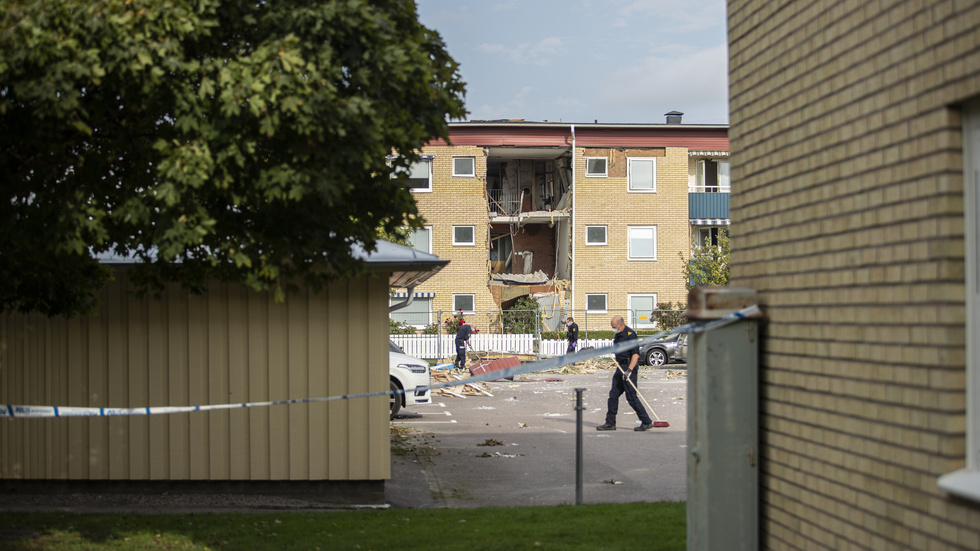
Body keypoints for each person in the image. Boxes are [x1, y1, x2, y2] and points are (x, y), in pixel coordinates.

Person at [597, 315, 654, 431]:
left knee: (631, 397)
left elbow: (635, 354)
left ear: (621, 325)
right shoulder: (618, 335)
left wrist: (630, 370)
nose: (613, 329)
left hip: (629, 368)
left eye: (614, 327)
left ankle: (646, 421)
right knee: (613, 395)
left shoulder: (630, 335)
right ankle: (610, 423)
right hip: (620, 367)